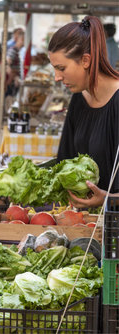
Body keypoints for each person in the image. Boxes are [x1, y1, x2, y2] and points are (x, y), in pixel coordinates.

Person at [49, 16, 119, 208]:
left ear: (86, 60)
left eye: (61, 68)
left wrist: (109, 199)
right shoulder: (79, 98)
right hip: (83, 223)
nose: (57, 77)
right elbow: (65, 160)